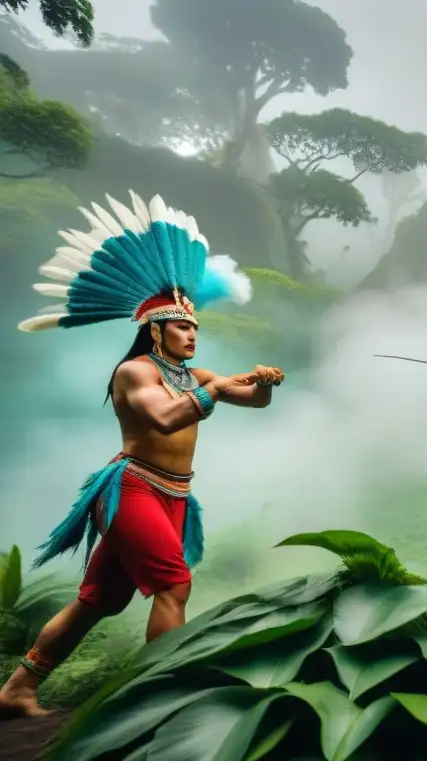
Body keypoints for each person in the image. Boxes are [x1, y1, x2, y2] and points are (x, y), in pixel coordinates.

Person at [0, 191, 285, 719]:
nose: (193, 334)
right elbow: (163, 418)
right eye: (183, 326)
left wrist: (264, 383)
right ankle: (163, 699)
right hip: (132, 488)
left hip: (174, 495)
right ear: (156, 329)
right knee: (175, 584)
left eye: (196, 327)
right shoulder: (136, 372)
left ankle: (16, 689)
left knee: (99, 601)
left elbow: (251, 400)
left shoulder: (194, 377)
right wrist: (217, 391)